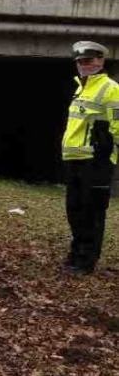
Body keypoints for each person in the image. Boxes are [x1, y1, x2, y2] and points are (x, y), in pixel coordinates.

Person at [61, 41, 119, 275]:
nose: (83, 66)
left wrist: (106, 150)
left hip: (95, 161)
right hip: (74, 158)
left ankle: (85, 261)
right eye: (80, 62)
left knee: (91, 212)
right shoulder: (81, 87)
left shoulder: (110, 88)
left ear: (101, 62)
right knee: (74, 210)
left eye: (88, 61)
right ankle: (76, 253)